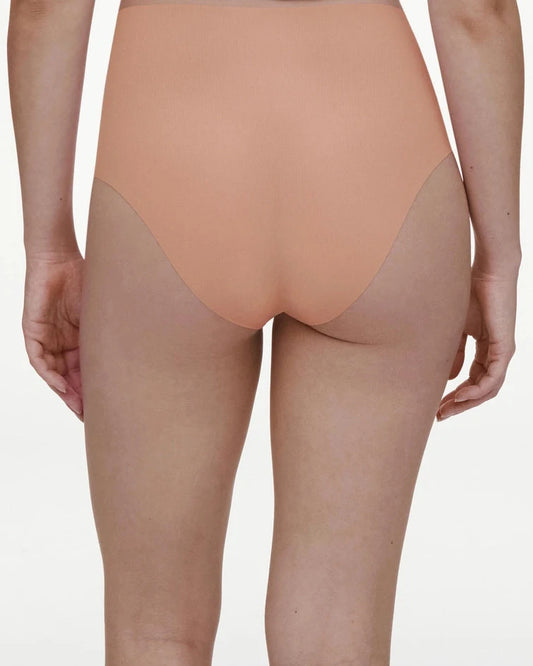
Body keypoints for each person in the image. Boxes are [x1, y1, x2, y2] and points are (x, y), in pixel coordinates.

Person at [7, 0, 523, 664]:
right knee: (334, 628)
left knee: (154, 628)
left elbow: (46, 10)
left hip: (173, 177)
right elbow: (477, 13)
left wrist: (49, 246)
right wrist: (498, 260)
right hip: (377, 175)